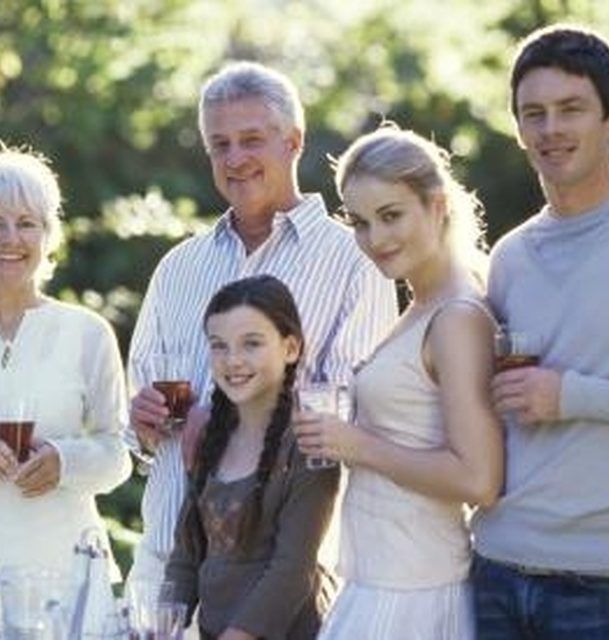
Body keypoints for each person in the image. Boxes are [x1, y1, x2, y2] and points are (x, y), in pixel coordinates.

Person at [127, 61, 397, 585]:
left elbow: (352, 408)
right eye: (219, 145)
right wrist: (140, 422)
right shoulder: (177, 267)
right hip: (165, 564)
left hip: (279, 570)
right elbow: (135, 427)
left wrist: (227, 419)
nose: (235, 159)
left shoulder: (354, 260)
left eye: (251, 139)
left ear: (294, 141)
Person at [294, 125, 503, 639]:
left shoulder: (456, 317)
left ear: (436, 206)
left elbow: (479, 479)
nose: (376, 240)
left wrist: (357, 444)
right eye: (361, 223)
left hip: (413, 592)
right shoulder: (421, 305)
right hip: (378, 577)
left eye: (391, 216)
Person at [471, 25, 609, 639]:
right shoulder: (511, 256)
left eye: (571, 109)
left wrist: (571, 396)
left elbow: (557, 392)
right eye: (532, 114)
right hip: (492, 573)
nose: (550, 130)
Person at [165, 275, 339, 640]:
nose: (233, 361)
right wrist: (163, 626)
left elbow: (292, 571)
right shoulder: (208, 439)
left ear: (290, 348)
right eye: (219, 346)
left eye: (252, 344)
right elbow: (186, 557)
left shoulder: (310, 443)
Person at [0, 144, 131, 574]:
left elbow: (119, 453)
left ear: (48, 234)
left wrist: (64, 460)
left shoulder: (87, 334)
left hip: (64, 568)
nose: (11, 239)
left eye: (26, 224)